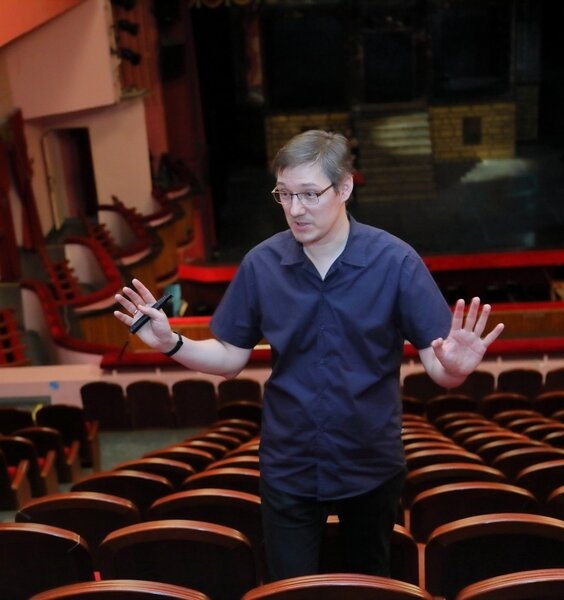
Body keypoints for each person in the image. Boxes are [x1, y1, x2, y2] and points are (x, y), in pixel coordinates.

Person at [114, 129, 504, 582]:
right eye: (284, 194)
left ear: (345, 187)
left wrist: (454, 370)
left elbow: (440, 366)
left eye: (309, 194)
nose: (295, 209)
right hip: (289, 462)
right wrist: (171, 343)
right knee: (290, 586)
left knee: (369, 585)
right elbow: (229, 357)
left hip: (371, 461)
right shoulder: (261, 264)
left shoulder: (395, 261)